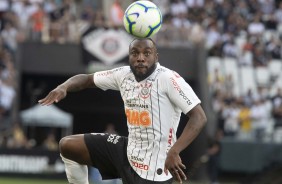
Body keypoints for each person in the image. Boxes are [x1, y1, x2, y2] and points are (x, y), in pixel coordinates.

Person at [38, 38, 207, 184]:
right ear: (129, 56)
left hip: (157, 168)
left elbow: (199, 117)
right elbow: (87, 79)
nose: (140, 58)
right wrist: (63, 86)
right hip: (127, 152)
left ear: (156, 57)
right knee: (68, 146)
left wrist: (175, 151)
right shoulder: (123, 74)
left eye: (147, 53)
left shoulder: (169, 79)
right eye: (135, 53)